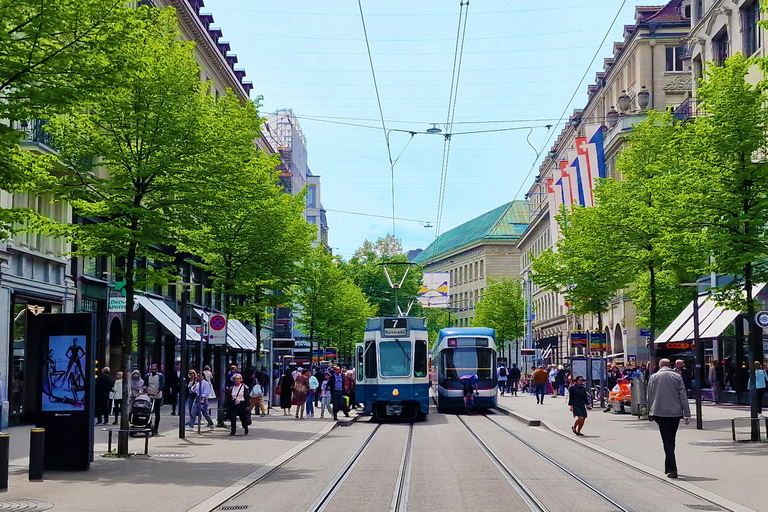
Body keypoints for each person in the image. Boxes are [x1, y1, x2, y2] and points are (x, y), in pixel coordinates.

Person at [647, 358, 691, 479]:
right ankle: (670, 468)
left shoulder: (653, 377)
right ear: (670, 365)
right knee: (671, 440)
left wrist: (649, 412)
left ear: (660, 365)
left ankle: (672, 469)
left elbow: (649, 396)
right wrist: (687, 414)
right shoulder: (677, 377)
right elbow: (683, 396)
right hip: (675, 413)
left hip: (659, 412)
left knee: (667, 440)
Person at [144, 364, 165, 435]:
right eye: (152, 369)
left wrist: (157, 392)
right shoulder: (147, 376)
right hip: (149, 395)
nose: (153, 371)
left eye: (155, 369)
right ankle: (147, 426)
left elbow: (162, 385)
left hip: (157, 396)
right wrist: (147, 391)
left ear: (157, 370)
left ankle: (156, 429)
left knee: (157, 412)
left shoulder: (160, 376)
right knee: (148, 412)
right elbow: (145, 384)